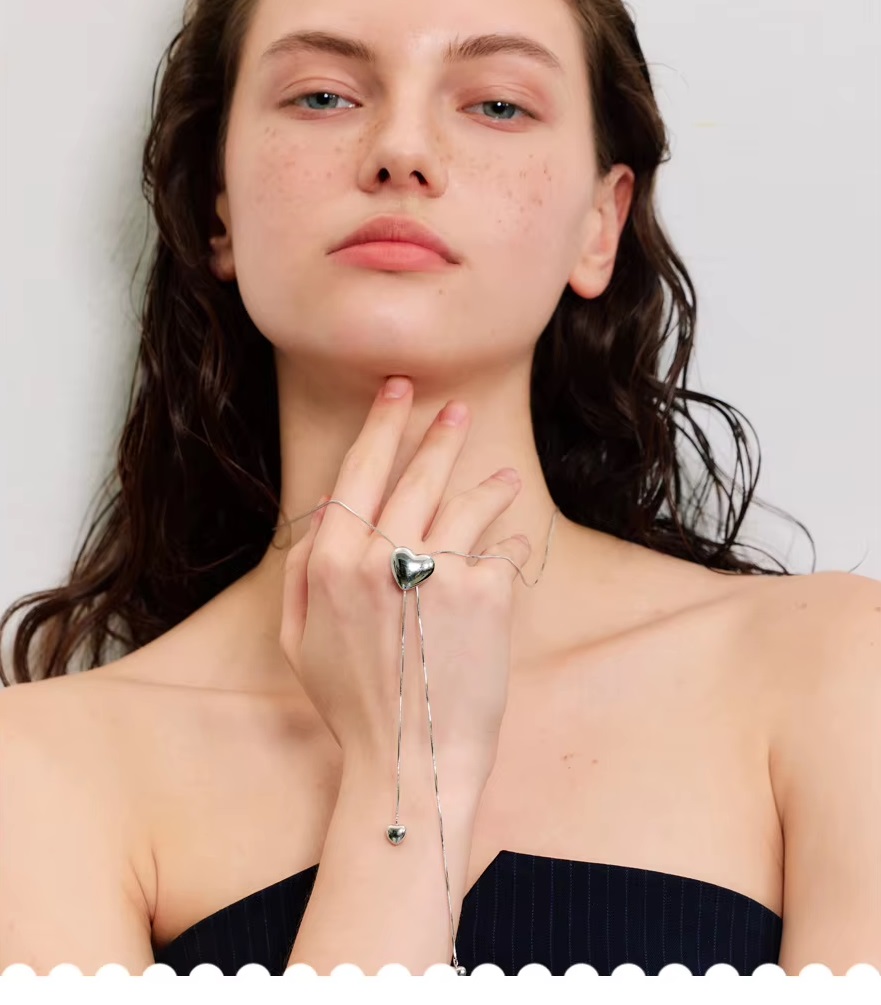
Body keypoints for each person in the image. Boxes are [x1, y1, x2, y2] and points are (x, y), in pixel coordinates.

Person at [1, 0, 879, 979]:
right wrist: (407, 783)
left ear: (600, 224)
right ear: (220, 209)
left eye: (497, 104)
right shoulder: (41, 773)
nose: (401, 152)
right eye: (323, 96)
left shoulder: (837, 671)